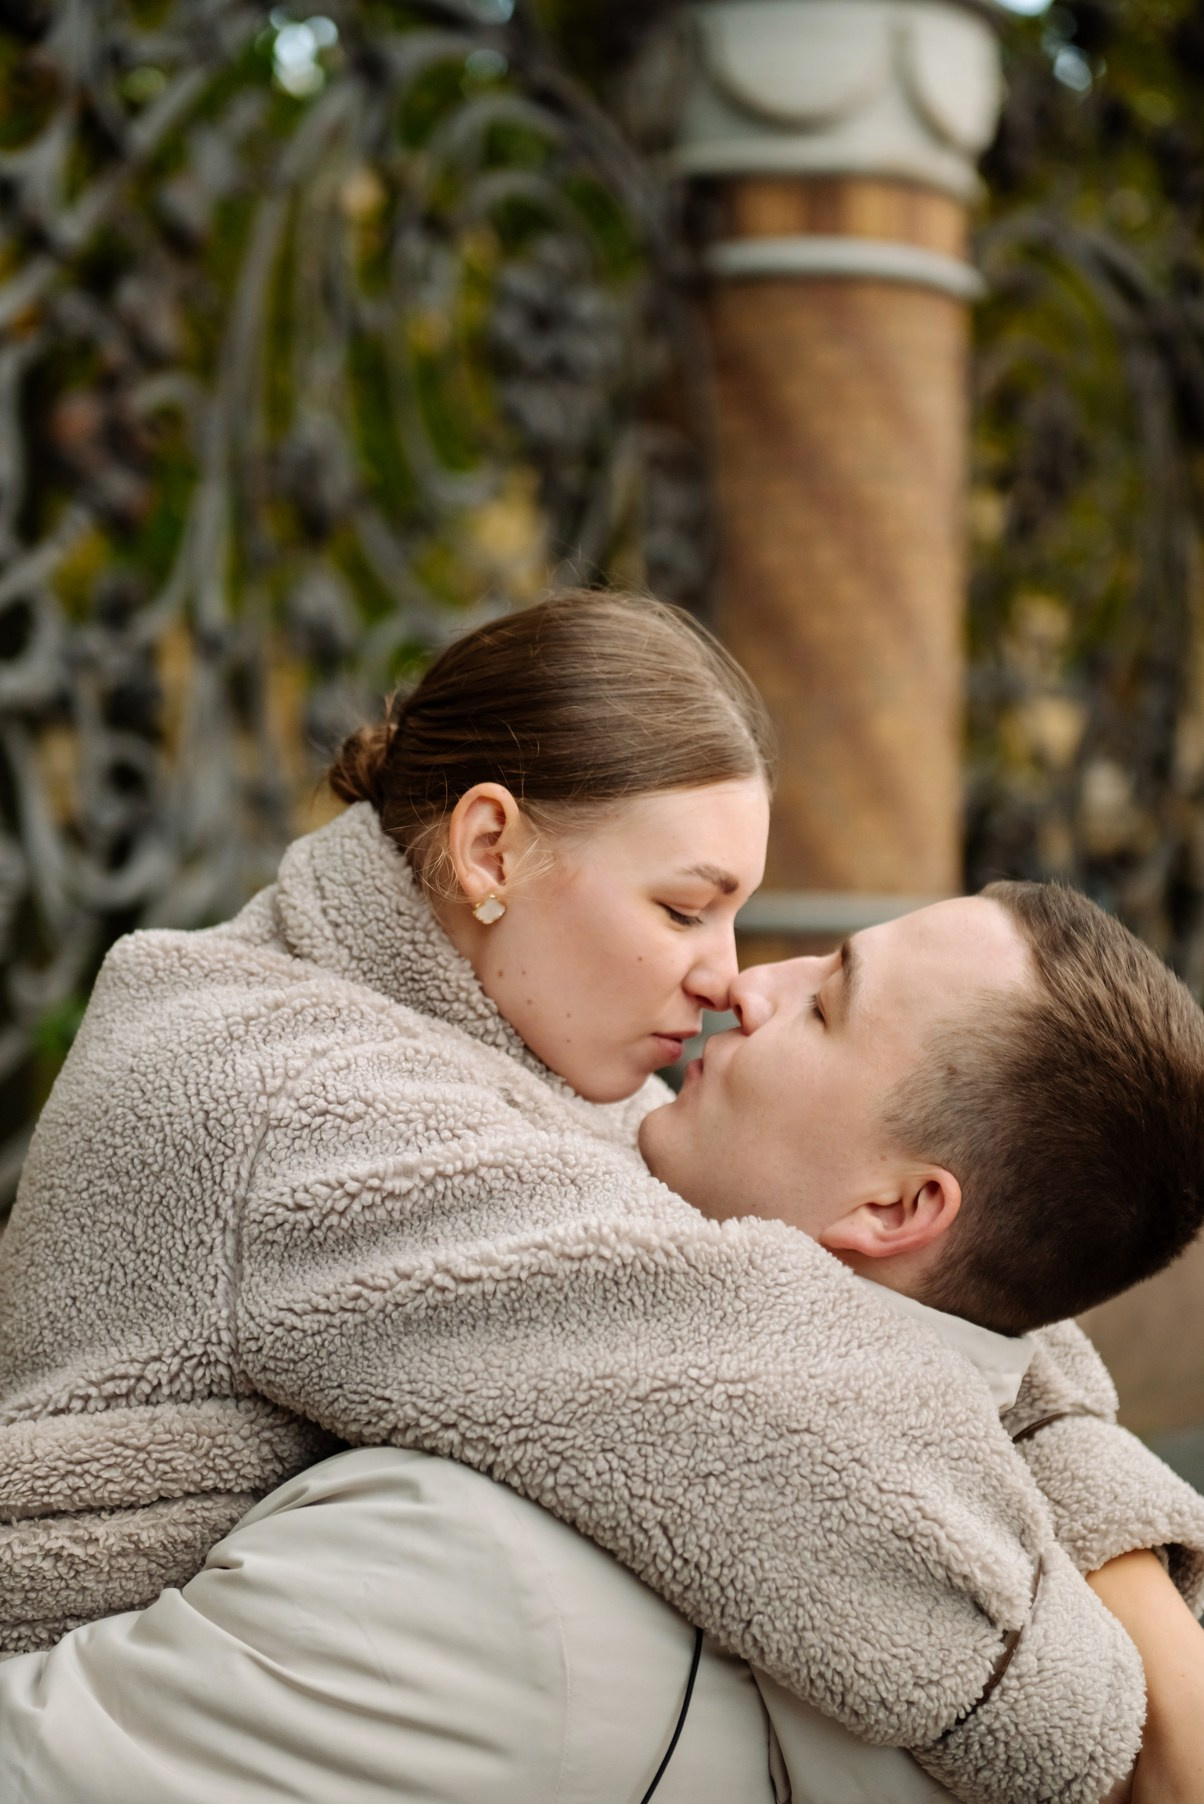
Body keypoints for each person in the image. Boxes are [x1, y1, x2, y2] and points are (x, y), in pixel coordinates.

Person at [1, 591, 1201, 1802]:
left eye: (735, 912)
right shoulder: (287, 1091)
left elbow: (987, 1339)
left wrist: (1153, 1623)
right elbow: (778, 1397)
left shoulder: (529, 1052)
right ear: (489, 850)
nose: (728, 976)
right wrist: (1117, 1737)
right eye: (683, 908)